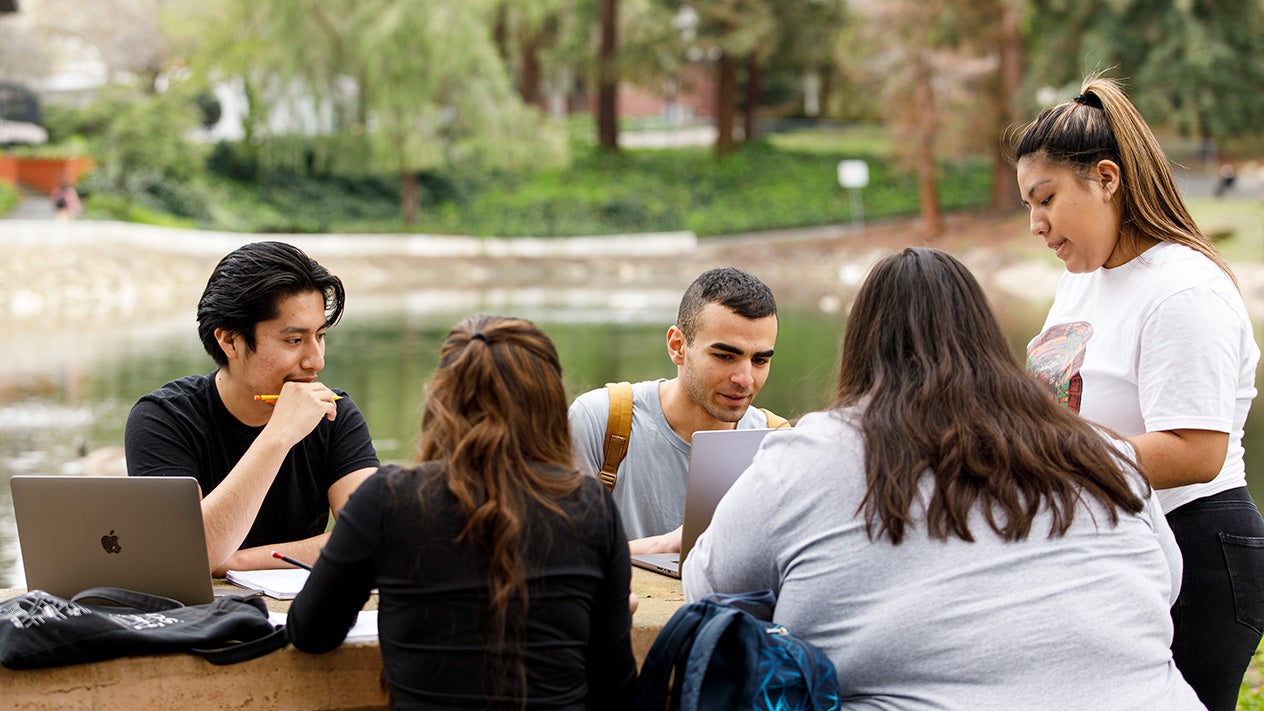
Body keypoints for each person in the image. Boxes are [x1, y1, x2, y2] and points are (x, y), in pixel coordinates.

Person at [685, 248, 1202, 709]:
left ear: (862, 343)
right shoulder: (1103, 450)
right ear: (987, 336)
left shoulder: (807, 454)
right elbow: (1166, 579)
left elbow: (710, 583)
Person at [1015, 75, 1264, 711]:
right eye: (1027, 206)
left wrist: (1048, 457)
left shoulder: (1182, 289)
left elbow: (1195, 450)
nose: (1037, 225)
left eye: (1046, 199)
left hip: (1199, 549)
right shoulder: (1082, 280)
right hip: (1117, 545)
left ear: (1106, 177)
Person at [287, 315, 637, 709]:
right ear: (549, 402)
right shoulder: (591, 505)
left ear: (440, 399)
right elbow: (615, 682)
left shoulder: (388, 498)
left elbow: (311, 632)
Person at [125, 241, 379, 575]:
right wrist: (277, 437)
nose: (316, 359)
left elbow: (374, 538)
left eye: (320, 335)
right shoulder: (163, 419)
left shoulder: (334, 414)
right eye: (294, 340)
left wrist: (236, 562)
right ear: (229, 341)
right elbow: (186, 553)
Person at [568, 267, 781, 555]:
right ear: (677, 346)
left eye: (759, 361)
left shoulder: (776, 442)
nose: (744, 379)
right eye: (724, 356)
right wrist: (664, 546)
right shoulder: (600, 419)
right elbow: (555, 560)